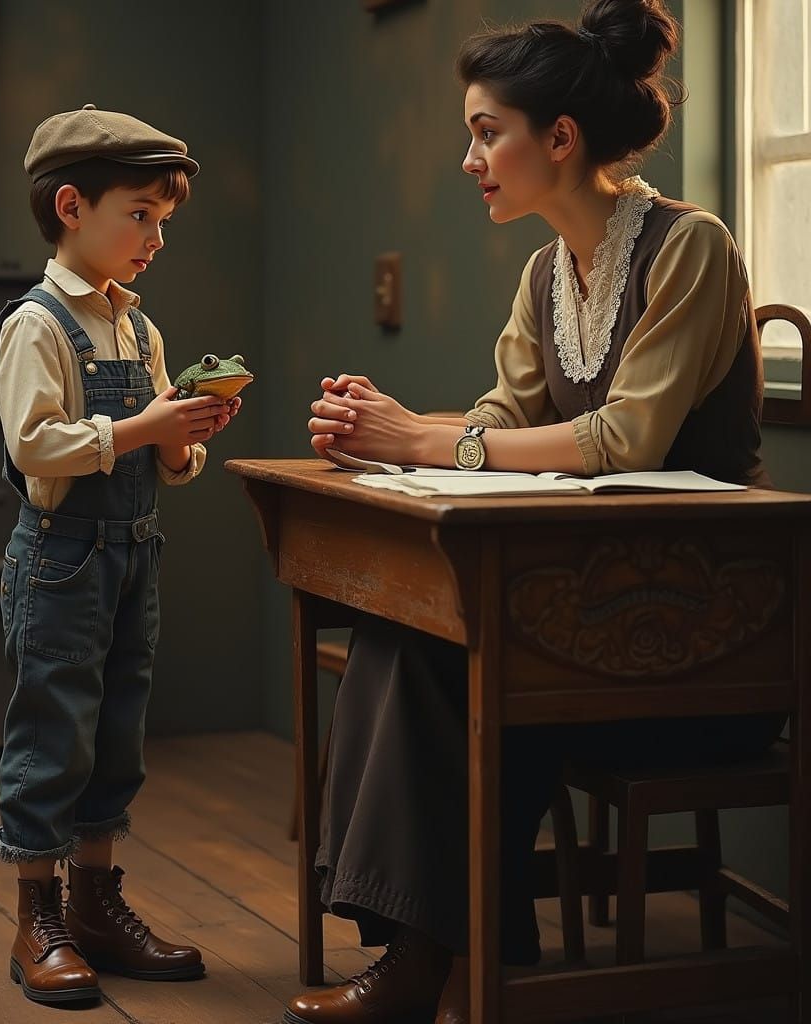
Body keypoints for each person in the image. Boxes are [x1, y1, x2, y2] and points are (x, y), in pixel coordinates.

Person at [285, 3, 785, 1023]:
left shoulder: (690, 247)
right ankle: (446, 954)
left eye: (485, 132)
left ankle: (437, 960)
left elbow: (624, 439)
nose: (469, 158)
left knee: (445, 657)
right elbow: (502, 417)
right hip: (585, 615)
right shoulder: (545, 272)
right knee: (403, 627)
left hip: (708, 635)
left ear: (558, 138)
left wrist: (423, 441)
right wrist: (385, 429)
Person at [0, 105, 241, 1006]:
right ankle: (37, 918)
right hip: (59, 561)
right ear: (71, 208)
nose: (155, 238)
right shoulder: (39, 324)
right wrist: (141, 427)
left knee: (117, 734)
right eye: (140, 216)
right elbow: (34, 445)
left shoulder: (138, 329)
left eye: (162, 221)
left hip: (133, 555)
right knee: (52, 734)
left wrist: (184, 432)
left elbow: (169, 461)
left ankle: (95, 905)